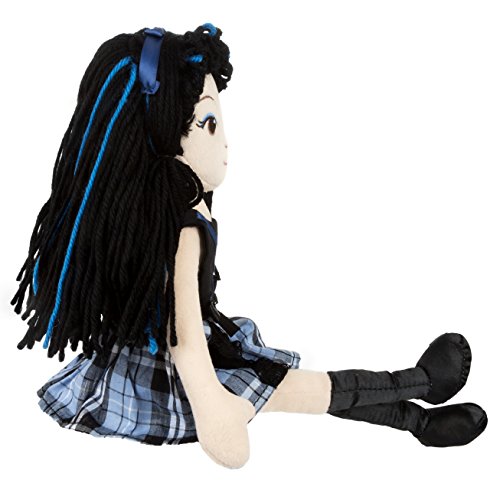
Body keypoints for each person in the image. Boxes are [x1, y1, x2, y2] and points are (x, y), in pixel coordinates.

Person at [11, 24, 487, 470]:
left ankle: (419, 417)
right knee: (308, 390)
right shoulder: (180, 231)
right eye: (208, 124)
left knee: (297, 388)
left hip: (189, 346)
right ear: (163, 133)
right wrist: (213, 411)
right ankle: (420, 386)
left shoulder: (170, 212)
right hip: (171, 376)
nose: (224, 143)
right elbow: (183, 340)